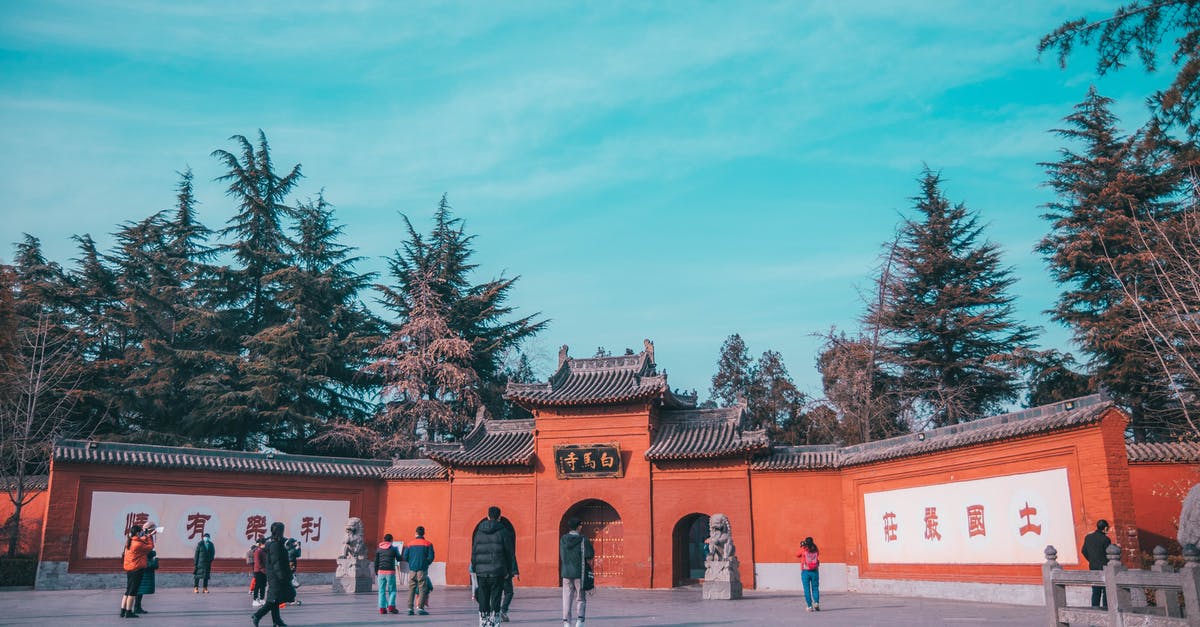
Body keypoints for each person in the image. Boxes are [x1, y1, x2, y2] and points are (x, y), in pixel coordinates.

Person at [471, 506, 515, 627]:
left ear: (488, 516)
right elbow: (509, 553)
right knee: (496, 597)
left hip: (481, 571)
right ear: (499, 517)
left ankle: (483, 622)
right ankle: (494, 622)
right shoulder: (503, 532)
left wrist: (475, 567)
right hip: (498, 571)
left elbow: (474, 551)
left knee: (483, 597)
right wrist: (509, 571)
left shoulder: (479, 531)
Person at [252, 522, 296, 627]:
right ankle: (257, 615)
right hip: (276, 576)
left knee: (276, 599)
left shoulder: (278, 541)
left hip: (276, 574)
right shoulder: (274, 545)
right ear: (279, 531)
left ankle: (277, 621)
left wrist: (292, 543)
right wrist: (282, 577)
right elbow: (276, 562)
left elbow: (287, 544)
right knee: (274, 599)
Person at [559, 517, 593, 627]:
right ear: (578, 526)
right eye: (580, 525)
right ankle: (580, 621)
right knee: (580, 598)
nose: (581, 526)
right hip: (580, 573)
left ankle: (566, 622)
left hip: (566, 573)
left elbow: (562, 555)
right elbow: (590, 555)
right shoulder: (583, 539)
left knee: (567, 598)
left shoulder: (563, 539)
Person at [119, 523, 155, 619]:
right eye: (141, 532)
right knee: (133, 592)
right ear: (138, 532)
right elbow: (150, 547)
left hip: (130, 568)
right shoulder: (137, 544)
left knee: (128, 590)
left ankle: (123, 611)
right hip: (136, 569)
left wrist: (146, 536)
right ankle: (129, 612)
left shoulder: (130, 542)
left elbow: (140, 541)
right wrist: (150, 537)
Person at [402, 525, 435, 616]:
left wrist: (411, 563)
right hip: (422, 569)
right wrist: (426, 563)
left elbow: (405, 557)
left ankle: (410, 608)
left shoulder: (409, 544)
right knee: (422, 588)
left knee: (411, 588)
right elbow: (431, 557)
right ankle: (420, 608)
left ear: (416, 533)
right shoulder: (428, 544)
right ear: (423, 533)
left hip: (412, 569)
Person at [1082, 519, 1112, 609]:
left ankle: (1095, 611)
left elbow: (1083, 551)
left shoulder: (1088, 537)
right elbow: (1109, 554)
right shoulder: (1106, 539)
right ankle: (1106, 610)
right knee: (1106, 590)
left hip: (1093, 567)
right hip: (1104, 568)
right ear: (1105, 528)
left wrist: (1091, 560)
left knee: (1095, 591)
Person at [375, 532, 403, 615]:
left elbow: (376, 562)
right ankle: (391, 606)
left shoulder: (379, 549)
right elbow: (399, 558)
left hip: (380, 572)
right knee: (392, 590)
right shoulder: (394, 549)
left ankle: (382, 609)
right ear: (391, 540)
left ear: (384, 540)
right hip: (390, 572)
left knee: (381, 591)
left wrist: (376, 572)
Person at [498, 515, 519, 623]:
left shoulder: (483, 533)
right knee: (509, 592)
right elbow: (511, 554)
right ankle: (502, 610)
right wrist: (514, 570)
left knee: (493, 592)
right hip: (504, 571)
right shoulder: (506, 535)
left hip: (490, 570)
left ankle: (494, 612)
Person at [797, 536, 820, 612]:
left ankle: (809, 606)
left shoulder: (804, 549)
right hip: (814, 571)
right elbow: (818, 555)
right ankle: (816, 602)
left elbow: (797, 554)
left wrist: (802, 546)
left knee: (807, 589)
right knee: (815, 588)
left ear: (806, 543)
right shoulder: (816, 549)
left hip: (805, 571)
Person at [134, 547, 158, 614]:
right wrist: (155, 556)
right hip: (143, 572)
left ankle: (136, 607)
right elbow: (150, 556)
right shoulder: (143, 546)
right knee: (138, 591)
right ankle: (136, 608)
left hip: (139, 570)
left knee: (138, 591)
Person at [251, 538, 267, 607]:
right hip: (258, 571)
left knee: (263, 585)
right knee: (257, 586)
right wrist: (263, 570)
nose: (265, 544)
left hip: (264, 571)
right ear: (261, 544)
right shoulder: (258, 551)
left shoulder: (264, 551)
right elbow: (258, 563)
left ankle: (262, 599)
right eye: (264, 543)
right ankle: (255, 600)